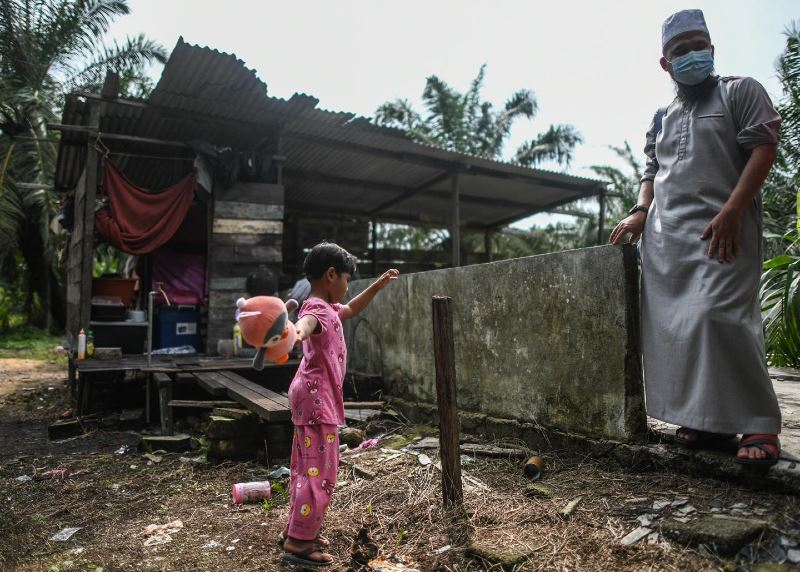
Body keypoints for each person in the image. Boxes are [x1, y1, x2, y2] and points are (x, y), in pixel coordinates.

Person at [610, 9, 782, 466]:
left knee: (720, 316)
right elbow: (652, 172)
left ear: (712, 48)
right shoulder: (662, 116)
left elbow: (764, 148)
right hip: (668, 241)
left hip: (722, 229)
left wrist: (733, 210)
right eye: (679, 50)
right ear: (665, 63)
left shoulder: (740, 91)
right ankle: (707, 422)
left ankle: (760, 421)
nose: (691, 55)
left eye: (697, 46)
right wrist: (640, 213)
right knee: (679, 329)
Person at [279, 242, 399, 567]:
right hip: (318, 403)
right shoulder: (316, 309)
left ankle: (299, 528)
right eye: (346, 279)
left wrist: (377, 284)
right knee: (321, 474)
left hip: (309, 398)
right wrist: (294, 333)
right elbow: (304, 326)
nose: (347, 287)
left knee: (305, 468)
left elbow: (352, 308)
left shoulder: (330, 308)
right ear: (331, 274)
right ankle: (299, 543)